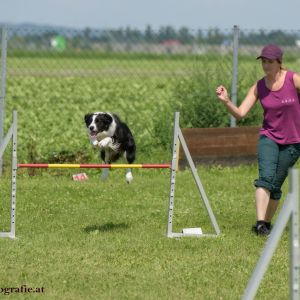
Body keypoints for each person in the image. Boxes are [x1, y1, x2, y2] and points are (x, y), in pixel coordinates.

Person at [216, 44, 300, 236]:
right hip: (269, 137)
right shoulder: (259, 86)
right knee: (265, 179)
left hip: (293, 141)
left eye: (270, 62)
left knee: (276, 185)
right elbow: (240, 113)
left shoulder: (293, 79)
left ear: (279, 62)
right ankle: (260, 223)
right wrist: (227, 101)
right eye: (263, 61)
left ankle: (266, 225)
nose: (266, 65)